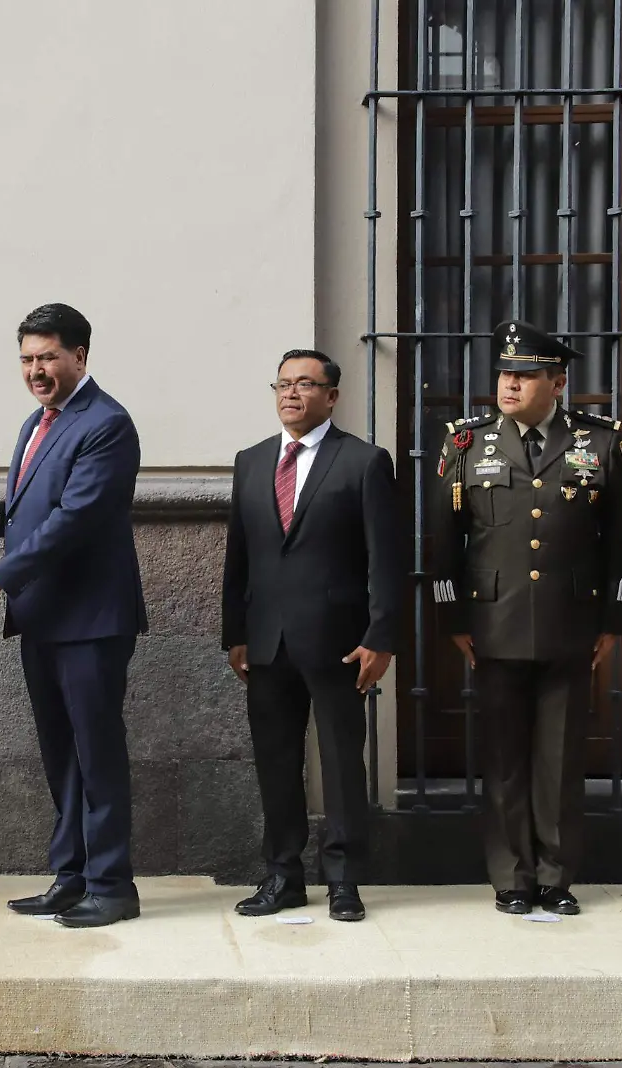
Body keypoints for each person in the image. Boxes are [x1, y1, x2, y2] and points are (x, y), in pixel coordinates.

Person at [428, 320, 622, 916]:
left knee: (560, 759)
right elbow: (444, 540)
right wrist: (451, 617)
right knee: (503, 758)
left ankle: (555, 876)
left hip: (571, 621)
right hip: (493, 622)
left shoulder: (598, 442)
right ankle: (511, 877)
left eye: (524, 375)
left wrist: (615, 621)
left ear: (558, 382)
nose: (509, 384)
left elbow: (619, 540)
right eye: (505, 374)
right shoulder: (466, 442)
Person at [0, 303, 147, 929]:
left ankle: (113, 886)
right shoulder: (36, 422)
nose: (37, 370)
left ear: (80, 356)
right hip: (42, 615)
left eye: (48, 357)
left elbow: (77, 519)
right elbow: (38, 511)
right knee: (60, 754)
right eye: (27, 359)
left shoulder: (107, 423)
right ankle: (71, 877)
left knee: (96, 754)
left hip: (91, 619)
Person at [221, 350, 400, 922]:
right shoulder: (250, 462)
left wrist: (382, 635)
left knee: (343, 761)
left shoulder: (365, 461)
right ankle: (282, 875)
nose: (292, 393)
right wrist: (236, 632)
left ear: (332, 395)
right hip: (266, 641)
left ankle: (344, 879)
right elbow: (239, 557)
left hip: (340, 640)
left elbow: (385, 558)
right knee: (275, 761)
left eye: (305, 384)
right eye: (283, 383)